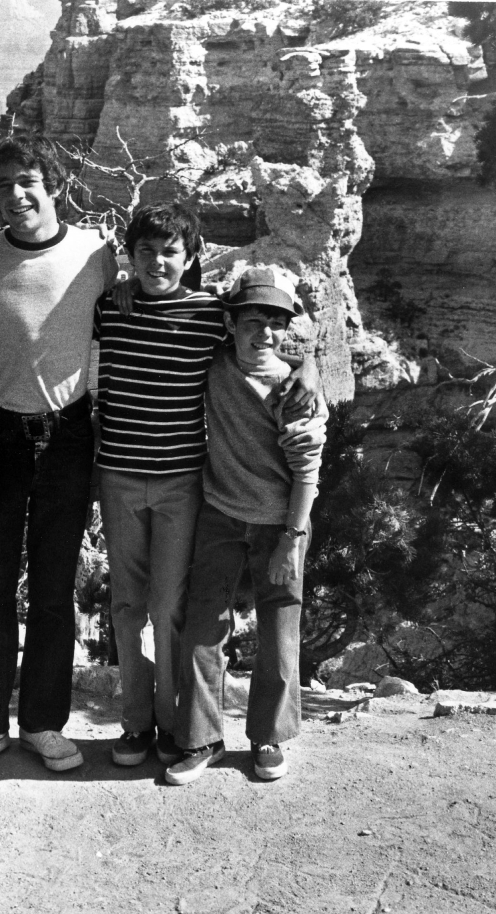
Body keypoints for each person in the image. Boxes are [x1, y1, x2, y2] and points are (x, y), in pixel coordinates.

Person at [98, 203, 321, 769]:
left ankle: (227, 733)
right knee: (165, 614)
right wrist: (122, 284)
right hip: (167, 492)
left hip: (227, 503)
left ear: (190, 257)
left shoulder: (243, 348)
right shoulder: (125, 314)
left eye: (170, 251)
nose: (156, 262)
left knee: (230, 620)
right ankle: (165, 729)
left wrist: (310, 367)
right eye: (144, 252)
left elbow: (277, 343)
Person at [0, 135, 120, 773]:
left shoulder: (94, 255)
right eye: (2, 187)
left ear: (54, 185)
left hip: (69, 432)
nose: (15, 196)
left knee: (54, 584)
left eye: (27, 182)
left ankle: (45, 723)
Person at [165, 265, 327, 785]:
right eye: (253, 320)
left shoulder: (294, 393)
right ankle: (200, 738)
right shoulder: (215, 365)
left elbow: (308, 473)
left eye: (277, 323)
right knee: (202, 627)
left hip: (280, 524)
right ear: (230, 324)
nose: (266, 333)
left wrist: (291, 540)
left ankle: (268, 738)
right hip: (220, 513)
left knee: (279, 632)